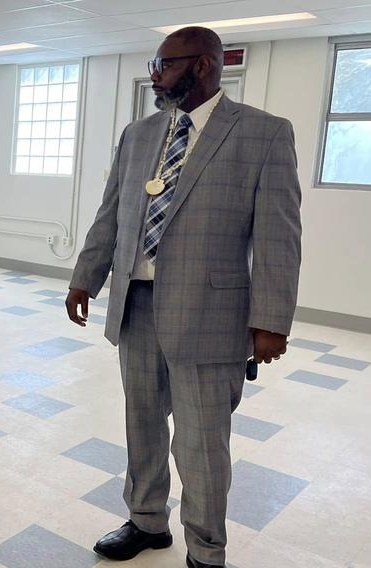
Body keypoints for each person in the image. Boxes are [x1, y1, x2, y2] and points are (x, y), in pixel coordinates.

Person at [65, 27, 301, 568]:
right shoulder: (139, 134)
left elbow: (278, 236)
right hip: (137, 306)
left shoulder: (263, 134)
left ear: (204, 65)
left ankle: (206, 551)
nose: (155, 74)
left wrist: (271, 320)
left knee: (200, 444)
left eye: (165, 64)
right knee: (141, 424)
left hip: (211, 314)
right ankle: (147, 522)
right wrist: (87, 276)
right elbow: (112, 213)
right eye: (155, 63)